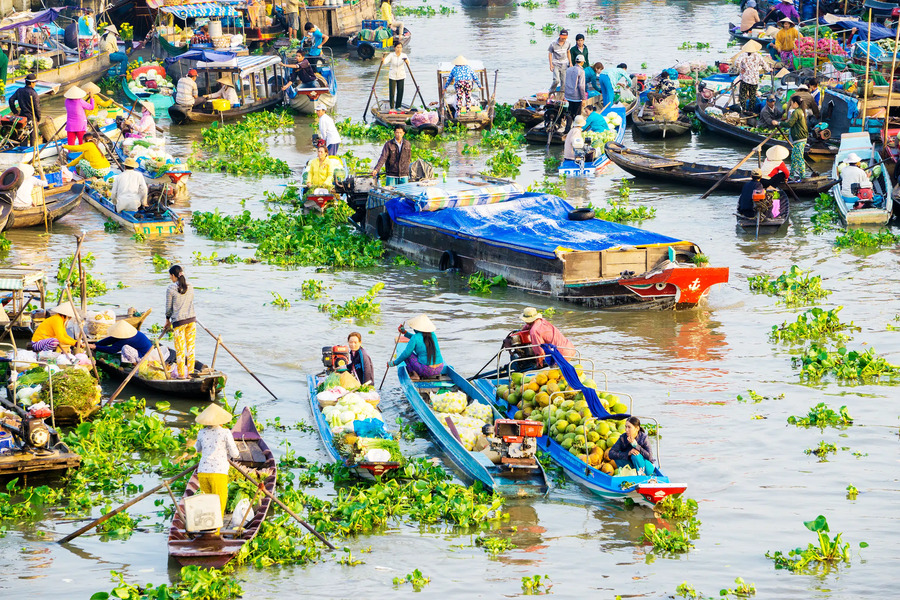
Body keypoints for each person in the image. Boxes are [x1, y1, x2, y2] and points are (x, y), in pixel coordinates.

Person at [194, 404, 240, 518]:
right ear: (221, 421)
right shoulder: (225, 432)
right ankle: (215, 533)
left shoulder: (202, 432)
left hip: (203, 472)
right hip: (218, 473)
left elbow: (197, 449)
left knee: (208, 505)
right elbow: (235, 453)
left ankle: (206, 531)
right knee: (219, 505)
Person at [388, 314, 444, 379]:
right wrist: (405, 333)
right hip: (439, 368)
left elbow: (406, 354)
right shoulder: (433, 335)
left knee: (408, 355)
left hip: (426, 370)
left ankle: (414, 374)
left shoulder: (415, 337)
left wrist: (394, 363)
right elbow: (420, 339)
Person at [165, 264, 197, 379]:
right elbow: (190, 302)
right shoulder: (190, 286)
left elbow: (168, 308)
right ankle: (191, 374)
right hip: (192, 320)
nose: (170, 278)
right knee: (191, 348)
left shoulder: (171, 288)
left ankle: (182, 376)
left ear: (174, 276)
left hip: (179, 322)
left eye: (170, 276)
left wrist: (167, 320)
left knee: (180, 350)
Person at [732, 41, 769, 114]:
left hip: (745, 79)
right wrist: (769, 69)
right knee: (752, 96)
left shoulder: (743, 55)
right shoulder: (758, 56)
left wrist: (740, 69)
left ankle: (744, 109)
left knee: (743, 94)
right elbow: (764, 65)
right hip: (754, 80)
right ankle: (751, 110)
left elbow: (736, 63)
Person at [783, 95, 807, 179]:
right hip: (798, 139)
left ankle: (803, 177)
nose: (791, 104)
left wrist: (778, 123)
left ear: (795, 103)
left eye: (792, 102)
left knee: (799, 158)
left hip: (800, 138)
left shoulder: (797, 112)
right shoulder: (799, 111)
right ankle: (792, 174)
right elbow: (792, 121)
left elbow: (789, 124)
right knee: (794, 157)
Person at [382, 42, 409, 109]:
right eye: (397, 47)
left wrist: (406, 61)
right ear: (394, 48)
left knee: (400, 91)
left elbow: (408, 62)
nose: (399, 49)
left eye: (400, 47)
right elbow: (385, 62)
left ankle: (398, 106)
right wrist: (383, 60)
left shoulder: (404, 55)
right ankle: (392, 107)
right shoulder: (391, 55)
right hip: (392, 75)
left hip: (401, 75)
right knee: (392, 92)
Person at [548, 29, 571, 99]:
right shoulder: (553, 43)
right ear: (559, 36)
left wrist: (570, 62)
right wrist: (550, 65)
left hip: (564, 64)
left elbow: (568, 52)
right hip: (556, 64)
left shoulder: (568, 43)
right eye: (562, 37)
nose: (564, 39)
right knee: (556, 80)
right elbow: (550, 53)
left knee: (564, 82)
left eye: (565, 38)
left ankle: (561, 97)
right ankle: (551, 92)